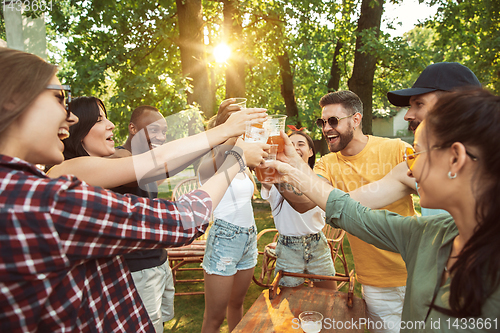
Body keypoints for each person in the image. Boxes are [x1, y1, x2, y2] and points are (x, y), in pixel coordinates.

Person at [0, 47, 268, 333]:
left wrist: (222, 136)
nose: (72, 117)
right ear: (14, 97)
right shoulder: (48, 198)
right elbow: (183, 218)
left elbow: (161, 163)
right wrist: (235, 153)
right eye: (58, 97)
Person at [266, 88, 500, 332]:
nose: (409, 170)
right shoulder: (426, 234)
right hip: (376, 285)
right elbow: (351, 211)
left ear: (456, 158)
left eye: (416, 154)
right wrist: (290, 167)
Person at [281, 91, 416, 333]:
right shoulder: (327, 165)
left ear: (355, 120)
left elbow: (437, 186)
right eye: (322, 122)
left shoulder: (396, 149)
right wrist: (280, 172)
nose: (326, 128)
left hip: (418, 271)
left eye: (333, 121)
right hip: (376, 284)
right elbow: (303, 202)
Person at [51, 100, 171, 333]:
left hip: (149, 263)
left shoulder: (113, 163)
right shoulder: (80, 169)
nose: (111, 125)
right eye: (99, 120)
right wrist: (220, 135)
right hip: (136, 269)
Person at [347, 62, 482, 217]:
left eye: (419, 104)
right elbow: (344, 204)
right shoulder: (414, 169)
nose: (407, 115)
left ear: (456, 106)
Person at [198, 112, 261, 333]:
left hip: (249, 237)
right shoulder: (209, 165)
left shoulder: (242, 165)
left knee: (237, 304)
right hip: (225, 240)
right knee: (214, 317)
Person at [260, 128, 336, 289]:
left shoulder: (320, 178)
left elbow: (303, 204)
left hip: (318, 245)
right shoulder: (272, 178)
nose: (294, 148)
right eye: (290, 144)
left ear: (310, 151)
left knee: (329, 299)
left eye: (300, 144)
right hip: (288, 248)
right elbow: (260, 169)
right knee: (290, 305)